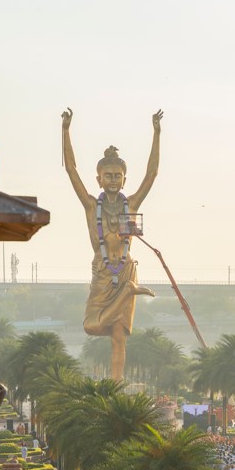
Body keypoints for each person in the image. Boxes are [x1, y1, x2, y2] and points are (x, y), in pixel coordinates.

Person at [61, 108, 161, 380]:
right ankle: (129, 291)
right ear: (99, 179)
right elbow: (70, 170)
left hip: (126, 267)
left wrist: (156, 133)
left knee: (119, 338)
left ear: (124, 179)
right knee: (91, 326)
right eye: (108, 176)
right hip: (103, 273)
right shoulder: (91, 205)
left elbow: (151, 174)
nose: (114, 180)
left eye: (118, 176)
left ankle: (116, 386)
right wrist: (66, 130)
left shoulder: (131, 206)